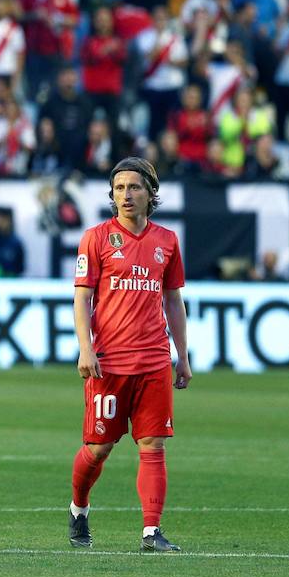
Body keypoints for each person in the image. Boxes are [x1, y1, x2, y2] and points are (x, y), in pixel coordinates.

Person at [69, 156, 191, 553]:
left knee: (153, 445)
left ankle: (151, 532)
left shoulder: (167, 242)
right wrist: (86, 348)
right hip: (109, 363)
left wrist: (182, 356)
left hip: (154, 361)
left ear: (150, 193)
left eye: (134, 187)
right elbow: (82, 298)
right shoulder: (96, 238)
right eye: (119, 188)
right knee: (98, 449)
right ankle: (79, 508)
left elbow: (173, 301)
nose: (126, 195)